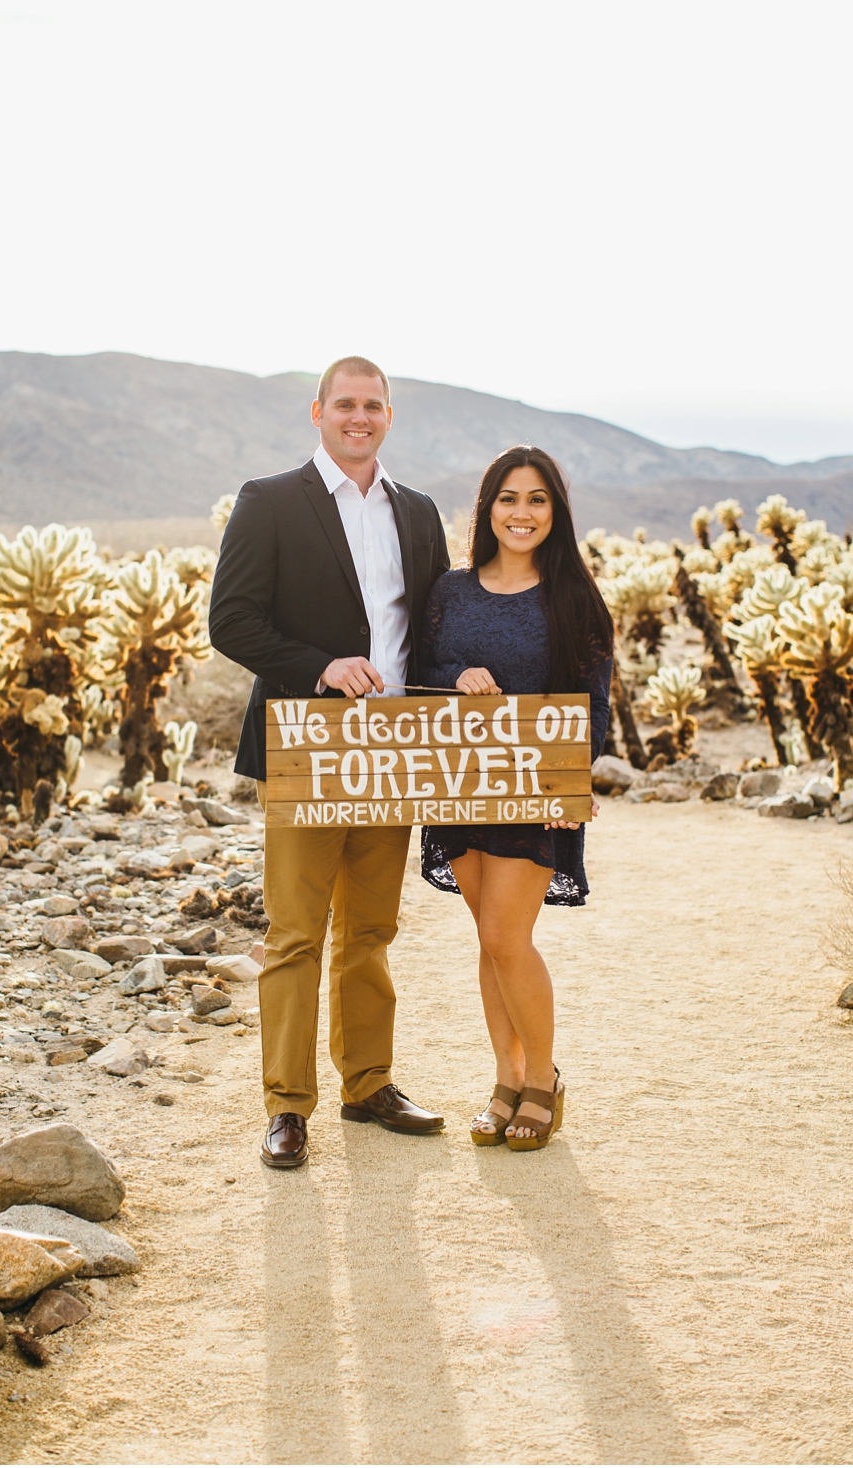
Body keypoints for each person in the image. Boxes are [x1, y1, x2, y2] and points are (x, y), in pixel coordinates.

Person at [211, 356, 453, 1169]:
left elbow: (434, 624)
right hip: (307, 751)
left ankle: (369, 1083)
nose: (360, 417)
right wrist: (320, 665)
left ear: (390, 415)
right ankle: (286, 1107)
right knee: (294, 933)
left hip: (391, 754)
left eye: (374, 405)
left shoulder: (417, 513)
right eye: (345, 404)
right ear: (318, 411)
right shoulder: (270, 501)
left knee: (372, 930)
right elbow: (232, 622)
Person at [411, 445, 613, 1152]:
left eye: (536, 500)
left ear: (554, 512)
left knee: (507, 935)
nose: (521, 513)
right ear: (487, 508)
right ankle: (506, 1076)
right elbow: (422, 672)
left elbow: (593, 702)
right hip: (462, 784)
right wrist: (460, 672)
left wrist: (574, 781)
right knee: (488, 940)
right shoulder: (451, 591)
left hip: (536, 788)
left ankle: (543, 1079)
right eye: (508, 498)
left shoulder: (574, 598)